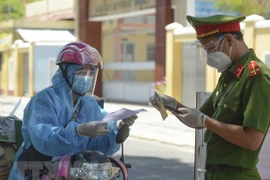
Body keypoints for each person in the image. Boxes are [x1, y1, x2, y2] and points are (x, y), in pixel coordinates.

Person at [150, 14, 270, 179]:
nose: (209, 55)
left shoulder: (256, 76)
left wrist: (204, 121)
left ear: (229, 40)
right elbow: (200, 118)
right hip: (213, 174)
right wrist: (172, 105)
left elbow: (251, 140)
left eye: (211, 49)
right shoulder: (229, 75)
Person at [8, 42, 137, 179]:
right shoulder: (45, 99)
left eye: (91, 73)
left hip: (75, 172)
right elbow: (45, 141)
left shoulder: (89, 104)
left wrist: (117, 128)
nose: (87, 78)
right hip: (38, 171)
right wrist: (78, 131)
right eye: (81, 72)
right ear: (65, 72)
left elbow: (99, 147)